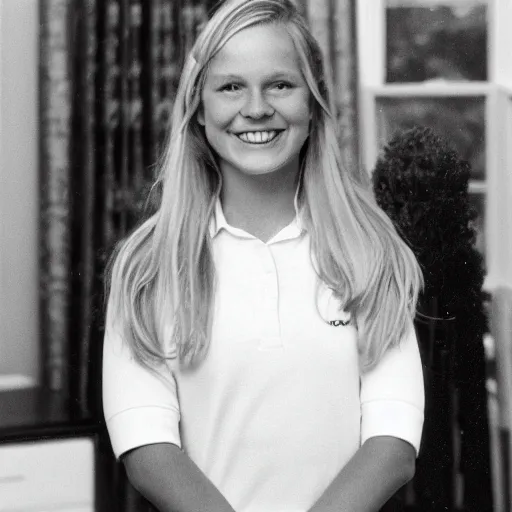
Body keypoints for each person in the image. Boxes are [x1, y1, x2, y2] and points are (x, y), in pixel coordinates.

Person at [102, 0, 425, 511]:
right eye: (231, 86)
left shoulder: (370, 254)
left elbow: (393, 445)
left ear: (313, 103)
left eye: (280, 84)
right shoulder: (147, 267)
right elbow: (147, 448)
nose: (256, 107)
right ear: (199, 109)